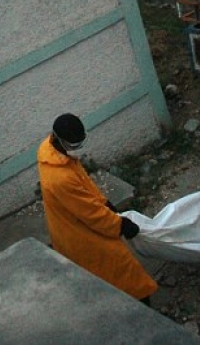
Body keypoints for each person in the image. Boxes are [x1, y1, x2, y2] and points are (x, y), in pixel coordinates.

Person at [36, 113, 158, 303]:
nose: (77, 150)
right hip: (78, 233)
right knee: (120, 266)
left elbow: (83, 183)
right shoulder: (59, 178)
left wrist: (104, 202)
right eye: (74, 145)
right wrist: (120, 225)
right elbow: (91, 213)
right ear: (60, 140)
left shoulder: (52, 153)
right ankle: (142, 307)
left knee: (102, 275)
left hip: (71, 225)